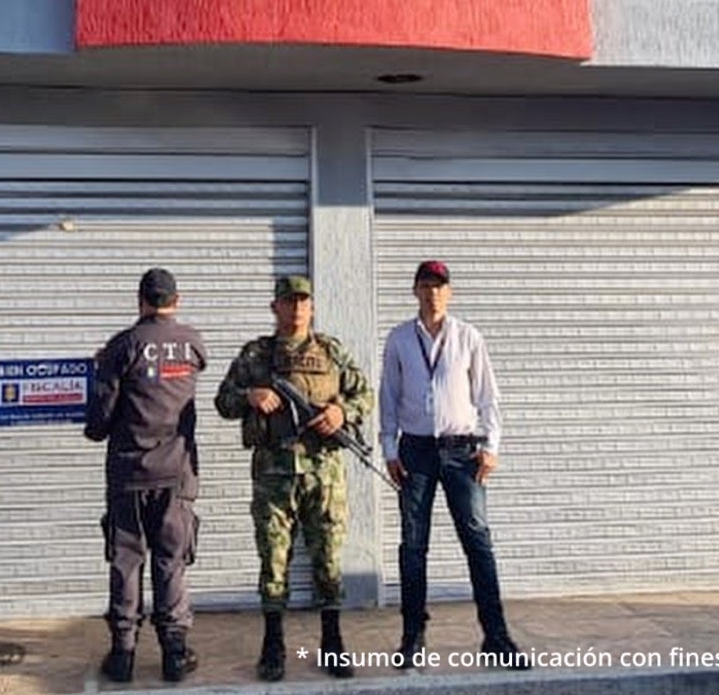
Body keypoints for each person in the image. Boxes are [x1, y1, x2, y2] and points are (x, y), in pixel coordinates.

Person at [213, 275, 373, 681]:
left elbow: (365, 395)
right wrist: (250, 396)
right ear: (275, 307)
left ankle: (333, 643)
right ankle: (273, 646)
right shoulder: (256, 355)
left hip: (323, 474)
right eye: (289, 301)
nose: (297, 308)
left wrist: (340, 412)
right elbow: (223, 401)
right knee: (273, 560)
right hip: (274, 475)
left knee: (328, 560)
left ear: (312, 307)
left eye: (303, 301)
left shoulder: (331, 351)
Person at [380, 260, 529, 671]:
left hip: (462, 452)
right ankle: (412, 636)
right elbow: (388, 396)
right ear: (415, 291)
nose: (433, 293)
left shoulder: (468, 337)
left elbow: (488, 396)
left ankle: (496, 637)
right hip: (415, 453)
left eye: (440, 286)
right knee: (413, 546)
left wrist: (491, 446)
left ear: (450, 292)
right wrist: (389, 449)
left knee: (478, 542)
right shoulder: (399, 339)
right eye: (426, 285)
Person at [83, 268, 208, 684]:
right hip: (177, 474)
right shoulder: (192, 343)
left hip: (129, 475)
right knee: (172, 561)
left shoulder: (123, 346)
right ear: (177, 299)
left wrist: (103, 372)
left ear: (140, 301)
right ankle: (175, 653)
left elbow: (99, 422)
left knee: (126, 560)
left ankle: (123, 654)